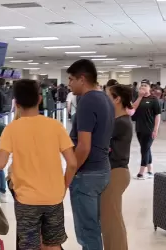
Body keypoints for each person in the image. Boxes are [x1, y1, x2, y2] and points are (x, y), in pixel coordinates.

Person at [0, 79, 76, 250]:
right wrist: (63, 187)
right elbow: (73, 163)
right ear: (40, 99)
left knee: (29, 245)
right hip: (54, 196)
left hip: (26, 199)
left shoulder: (11, 129)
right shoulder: (55, 126)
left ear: (15, 103)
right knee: (53, 244)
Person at [67, 59, 115, 250]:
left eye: (71, 79)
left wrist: (70, 173)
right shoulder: (105, 98)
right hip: (102, 169)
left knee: (87, 231)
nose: (69, 83)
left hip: (87, 174)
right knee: (93, 226)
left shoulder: (87, 100)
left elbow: (84, 146)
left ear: (82, 78)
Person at [101, 84, 133, 250]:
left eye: (108, 96)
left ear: (117, 99)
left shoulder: (120, 123)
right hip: (114, 171)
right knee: (110, 220)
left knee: (111, 222)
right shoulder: (117, 120)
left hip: (116, 173)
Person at [132, 79, 161, 179]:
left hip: (149, 129)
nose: (143, 87)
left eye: (145, 85)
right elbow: (133, 109)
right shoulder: (138, 99)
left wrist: (156, 129)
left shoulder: (154, 99)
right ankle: (150, 170)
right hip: (139, 128)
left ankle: (141, 172)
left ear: (149, 88)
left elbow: (157, 115)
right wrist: (139, 97)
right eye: (141, 86)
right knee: (146, 149)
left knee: (144, 149)